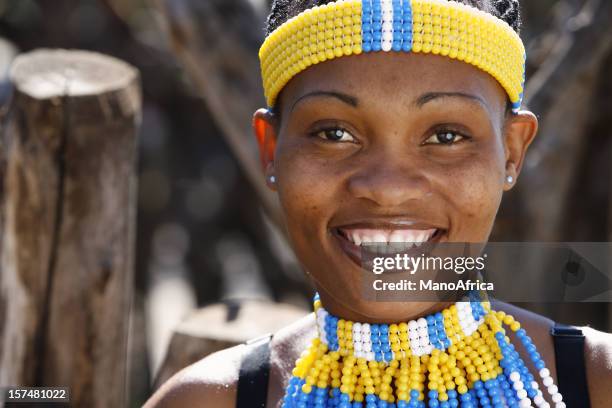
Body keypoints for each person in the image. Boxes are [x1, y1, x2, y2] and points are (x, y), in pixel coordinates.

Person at [144, 0, 612, 406]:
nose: (387, 188)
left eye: (445, 136)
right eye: (334, 134)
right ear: (271, 150)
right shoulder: (205, 401)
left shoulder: (598, 382)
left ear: (511, 152)